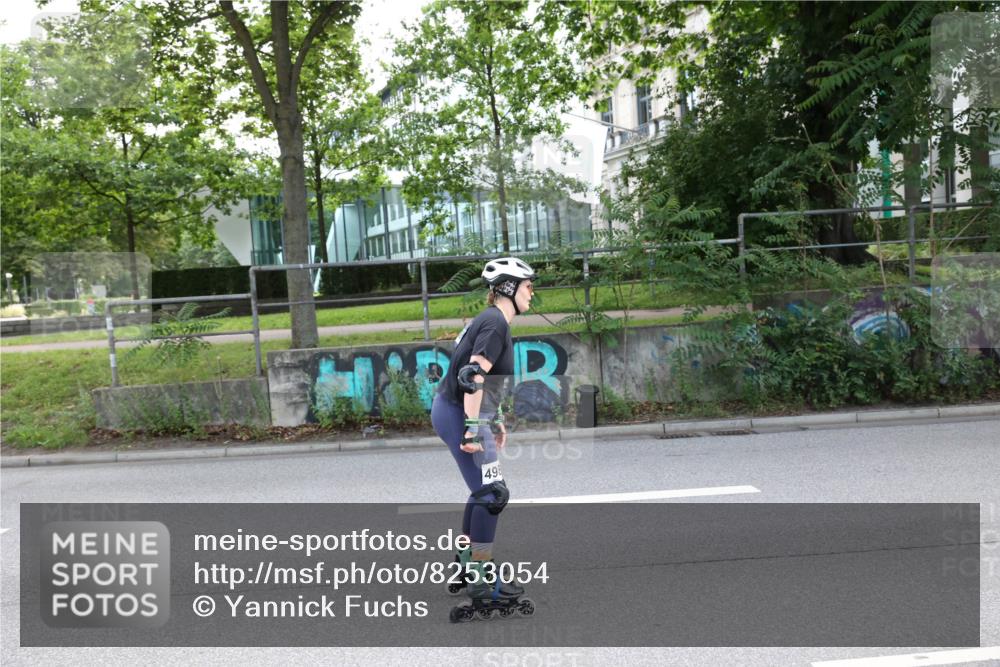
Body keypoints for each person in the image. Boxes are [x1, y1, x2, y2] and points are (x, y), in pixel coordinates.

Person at [431, 257, 537, 620]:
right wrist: (474, 427)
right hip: (459, 413)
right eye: (528, 286)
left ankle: (467, 563)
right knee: (492, 494)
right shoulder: (495, 323)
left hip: (456, 410)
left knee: (483, 492)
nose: (532, 293)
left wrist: (495, 417)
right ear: (509, 287)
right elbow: (472, 375)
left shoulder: (493, 320)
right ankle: (482, 581)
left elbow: (484, 378)